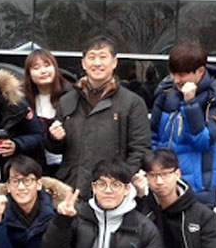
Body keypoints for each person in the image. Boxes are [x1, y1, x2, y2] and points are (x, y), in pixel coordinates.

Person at [45, 36, 150, 199]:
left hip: (111, 191)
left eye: (103, 57)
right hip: (71, 188)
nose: (97, 63)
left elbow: (140, 149)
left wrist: (120, 181)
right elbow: (55, 149)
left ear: (114, 62)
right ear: (83, 63)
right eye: (92, 57)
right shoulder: (67, 101)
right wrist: (54, 138)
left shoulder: (132, 102)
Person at [150, 42, 216, 208]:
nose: (176, 80)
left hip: (199, 187)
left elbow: (203, 141)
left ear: (200, 71)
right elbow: (152, 134)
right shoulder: (166, 92)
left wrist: (190, 103)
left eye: (182, 75)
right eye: (173, 74)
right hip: (162, 183)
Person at [22, 49, 71, 176]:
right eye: (36, 67)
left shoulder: (71, 97)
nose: (43, 71)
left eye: (47, 65)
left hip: (68, 168)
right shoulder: (23, 102)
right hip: (35, 169)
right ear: (29, 74)